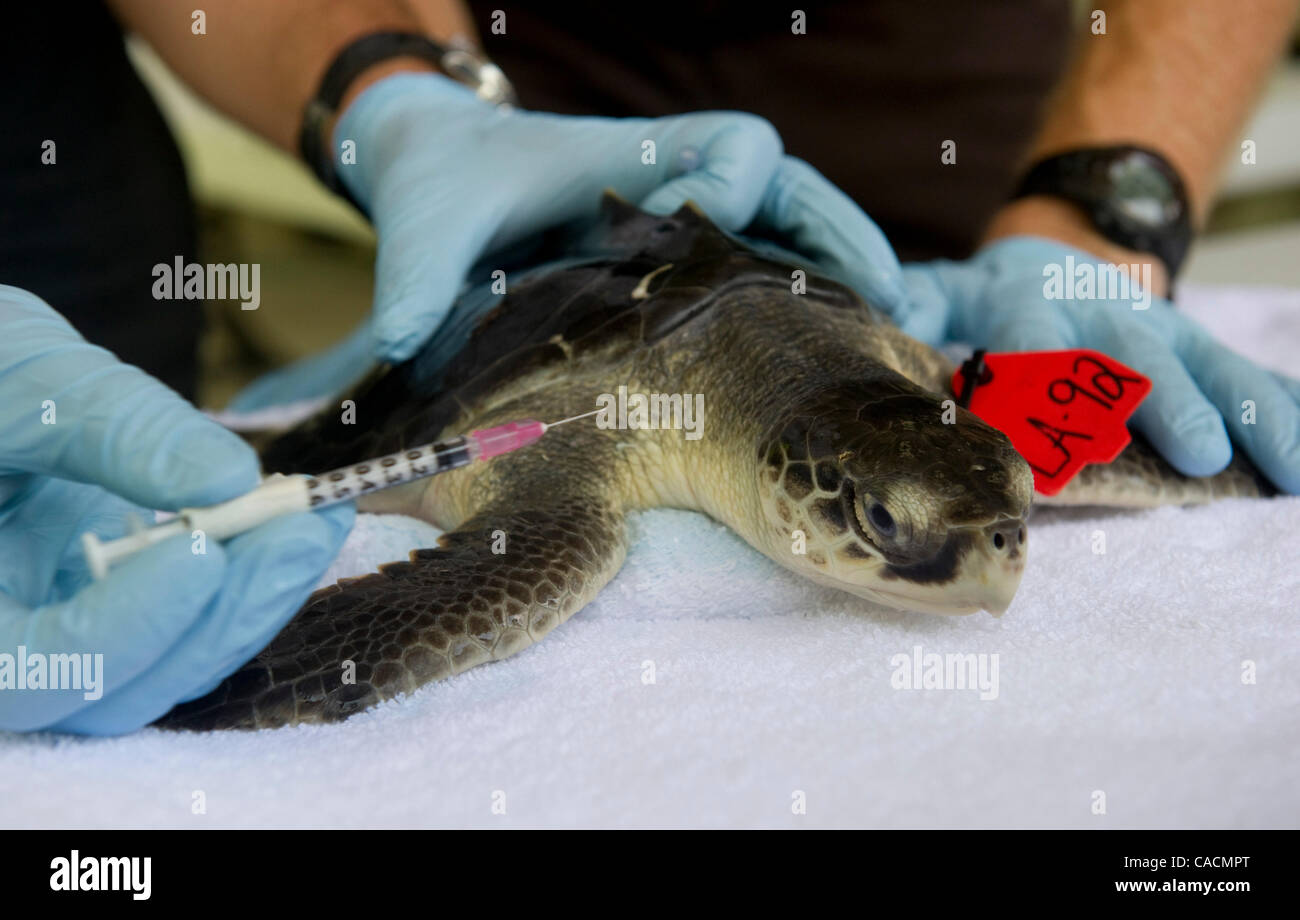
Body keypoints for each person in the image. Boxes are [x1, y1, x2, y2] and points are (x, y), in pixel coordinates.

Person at [2, 0, 1297, 734]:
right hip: (539, 140)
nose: (988, 560)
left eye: (992, 519)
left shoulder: (929, 389)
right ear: (800, 483)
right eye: (902, 527)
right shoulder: (570, 493)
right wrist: (402, 96)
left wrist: (1099, 213)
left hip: (952, 150)